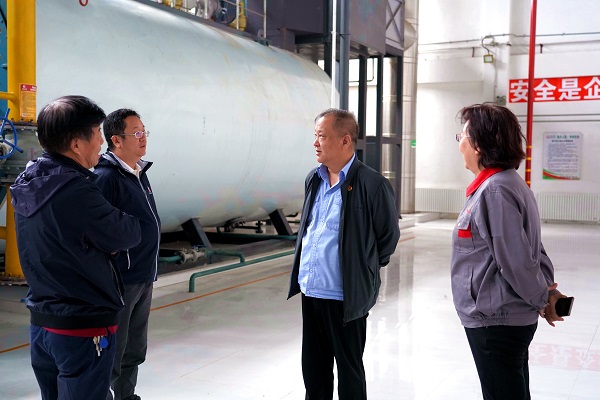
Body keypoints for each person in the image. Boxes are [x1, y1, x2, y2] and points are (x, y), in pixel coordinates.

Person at [10, 95, 141, 400]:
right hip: (82, 324)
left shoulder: (29, 180)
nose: (101, 142)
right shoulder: (76, 190)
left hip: (43, 321)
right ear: (76, 144)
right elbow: (128, 233)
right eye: (96, 134)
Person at [451, 103, 567, 400]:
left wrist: (542, 298)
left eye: (462, 136)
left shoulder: (495, 190)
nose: (460, 144)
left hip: (497, 320)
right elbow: (532, 249)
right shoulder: (505, 183)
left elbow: (516, 260)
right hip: (502, 315)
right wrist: (546, 291)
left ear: (478, 145)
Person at [287, 108, 400, 399]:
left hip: (344, 297)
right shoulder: (314, 179)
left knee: (350, 373)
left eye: (321, 136)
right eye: (315, 136)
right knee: (314, 372)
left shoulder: (373, 184)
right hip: (312, 291)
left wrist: (362, 268)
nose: (315, 143)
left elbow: (387, 239)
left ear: (345, 140)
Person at [94, 109, 161, 400]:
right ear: (116, 140)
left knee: (134, 349)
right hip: (122, 278)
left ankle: (126, 396)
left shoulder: (138, 173)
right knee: (114, 351)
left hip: (143, 275)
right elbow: (98, 230)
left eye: (144, 131)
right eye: (136, 132)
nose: (143, 137)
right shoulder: (106, 177)